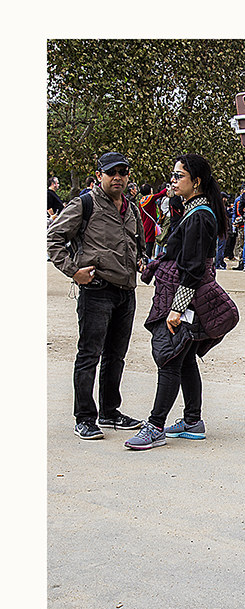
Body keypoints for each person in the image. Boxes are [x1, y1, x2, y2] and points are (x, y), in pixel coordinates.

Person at [125, 153, 237, 450]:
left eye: (179, 176)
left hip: (182, 299)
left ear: (196, 181)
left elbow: (193, 267)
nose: (172, 181)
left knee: (169, 358)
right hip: (177, 294)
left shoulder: (199, 216)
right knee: (184, 358)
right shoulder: (193, 211)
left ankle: (156, 425)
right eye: (172, 175)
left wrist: (177, 309)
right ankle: (192, 421)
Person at [47, 152, 144, 440]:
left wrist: (140, 259)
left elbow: (135, 243)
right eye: (111, 172)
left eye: (123, 172)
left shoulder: (131, 208)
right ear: (99, 175)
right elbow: (53, 239)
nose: (117, 177)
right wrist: (73, 271)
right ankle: (85, 417)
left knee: (116, 356)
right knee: (89, 355)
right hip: (97, 291)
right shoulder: (84, 204)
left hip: (126, 292)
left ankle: (110, 412)